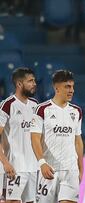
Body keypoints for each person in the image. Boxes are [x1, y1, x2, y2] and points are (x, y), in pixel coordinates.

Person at [30, 70, 84, 203]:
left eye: (72, 86)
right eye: (67, 86)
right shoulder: (42, 110)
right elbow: (35, 139)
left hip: (70, 170)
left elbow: (78, 140)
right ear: (56, 88)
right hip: (49, 170)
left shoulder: (76, 111)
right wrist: (42, 163)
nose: (71, 90)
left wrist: (80, 168)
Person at [0, 68, 38, 202]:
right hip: (15, 166)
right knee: (12, 201)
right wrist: (5, 163)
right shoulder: (8, 105)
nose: (34, 83)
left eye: (34, 80)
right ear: (19, 84)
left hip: (33, 167)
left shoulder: (35, 105)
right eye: (30, 81)